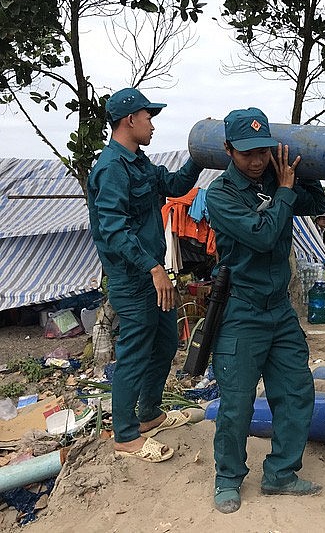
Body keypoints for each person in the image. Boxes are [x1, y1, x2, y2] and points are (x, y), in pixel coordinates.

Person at [205, 108, 325, 514]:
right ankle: (227, 478)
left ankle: (281, 473)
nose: (257, 161)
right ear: (227, 150)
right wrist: (285, 190)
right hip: (241, 310)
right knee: (237, 402)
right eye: (247, 154)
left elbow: (317, 201)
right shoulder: (221, 194)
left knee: (295, 391)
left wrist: (300, 167)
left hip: (280, 309)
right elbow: (263, 235)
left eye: (263, 151)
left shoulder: (276, 178)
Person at [87, 88, 202, 463]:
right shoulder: (110, 168)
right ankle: (125, 435)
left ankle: (149, 414)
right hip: (133, 277)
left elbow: (175, 186)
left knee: (167, 341)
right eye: (148, 117)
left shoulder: (139, 163)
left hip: (153, 273)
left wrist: (199, 158)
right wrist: (154, 268)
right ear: (129, 120)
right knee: (134, 353)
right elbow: (114, 230)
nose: (152, 124)